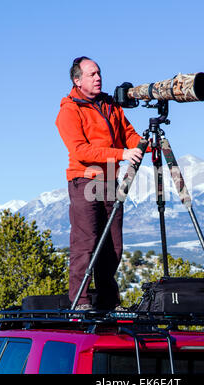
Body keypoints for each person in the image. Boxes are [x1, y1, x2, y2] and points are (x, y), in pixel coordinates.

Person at [56, 56, 146, 310]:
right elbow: (82, 151)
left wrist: (145, 145)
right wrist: (121, 154)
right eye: (92, 74)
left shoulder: (110, 105)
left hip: (109, 182)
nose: (98, 78)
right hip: (84, 180)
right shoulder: (69, 110)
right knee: (85, 243)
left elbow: (128, 134)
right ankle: (80, 302)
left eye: (99, 73)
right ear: (77, 80)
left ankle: (108, 301)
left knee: (113, 245)